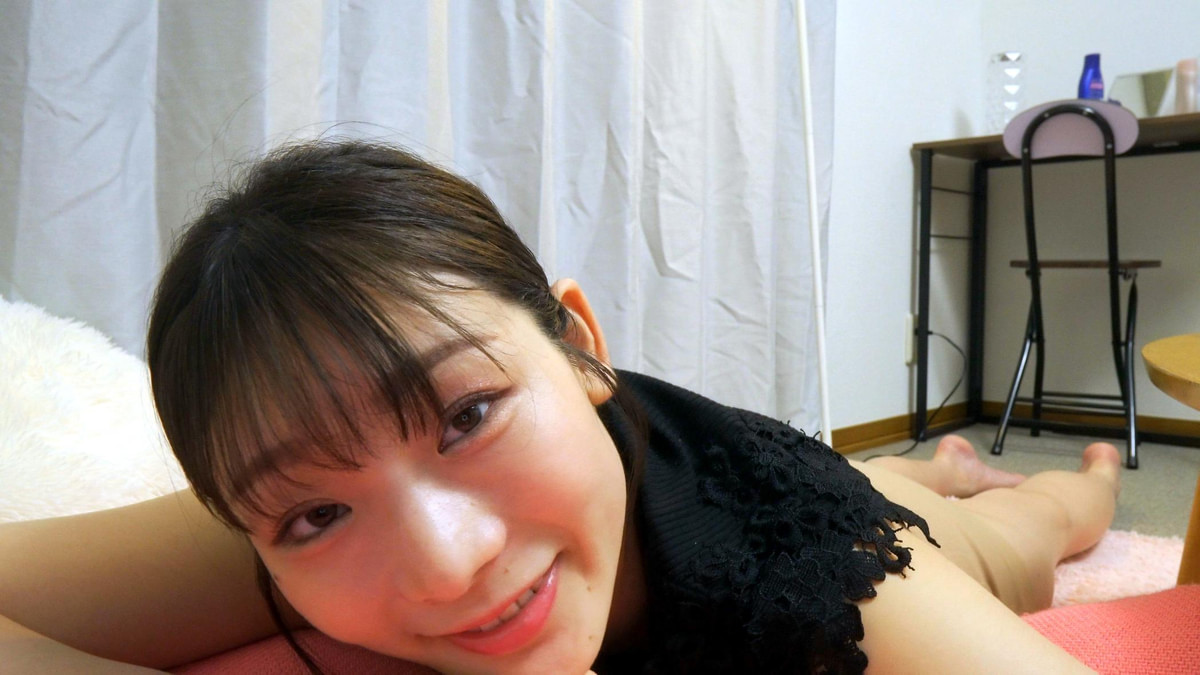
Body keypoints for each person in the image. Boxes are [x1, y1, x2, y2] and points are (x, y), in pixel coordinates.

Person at [0, 141, 1120, 674]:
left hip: (801, 499)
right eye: (314, 517)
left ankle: (1043, 479)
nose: (447, 563)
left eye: (469, 415)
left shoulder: (829, 575)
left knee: (1028, 532)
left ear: (580, 346)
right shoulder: (294, 491)